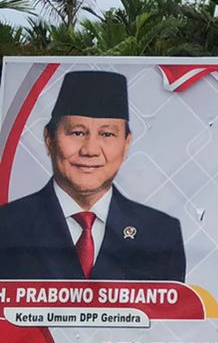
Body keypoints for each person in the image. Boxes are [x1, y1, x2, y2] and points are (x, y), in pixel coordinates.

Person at [0, 69, 186, 281]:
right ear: (49, 139)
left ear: (126, 145)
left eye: (107, 134)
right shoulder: (7, 225)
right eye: (77, 133)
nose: (90, 150)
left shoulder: (160, 233)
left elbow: (170, 312)